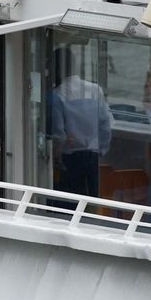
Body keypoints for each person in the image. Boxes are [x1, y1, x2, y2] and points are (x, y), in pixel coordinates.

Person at [48, 45, 113, 197]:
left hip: (69, 158)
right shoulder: (95, 89)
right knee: (92, 202)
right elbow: (105, 126)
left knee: (70, 204)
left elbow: (58, 134)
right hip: (93, 156)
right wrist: (101, 150)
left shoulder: (57, 95)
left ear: (56, 68)